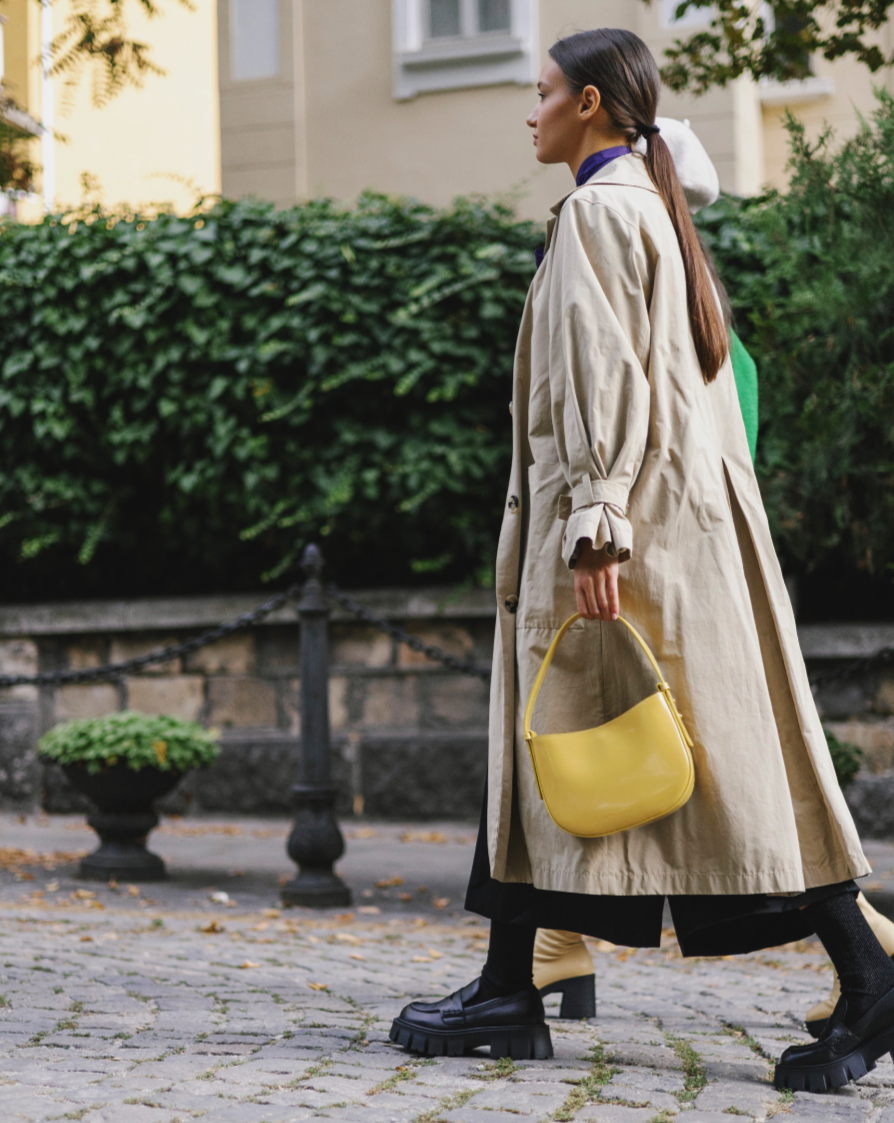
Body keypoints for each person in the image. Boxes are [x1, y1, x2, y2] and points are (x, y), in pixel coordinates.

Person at [390, 29, 894, 1093]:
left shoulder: (598, 212)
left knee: (714, 772)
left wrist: (595, 519)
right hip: (679, 530)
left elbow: (603, 375)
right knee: (575, 748)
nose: (530, 111)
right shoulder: (649, 208)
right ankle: (508, 986)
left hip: (634, 536)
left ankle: (870, 973)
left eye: (543, 92)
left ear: (590, 105)